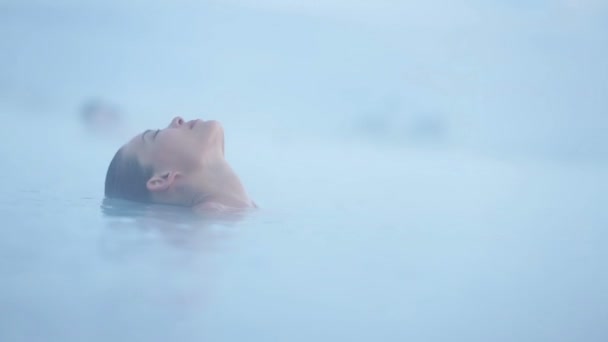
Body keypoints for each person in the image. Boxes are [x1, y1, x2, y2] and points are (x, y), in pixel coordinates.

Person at [104, 116, 256, 213]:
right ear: (161, 179)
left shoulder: (237, 212)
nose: (177, 120)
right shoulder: (211, 217)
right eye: (156, 134)